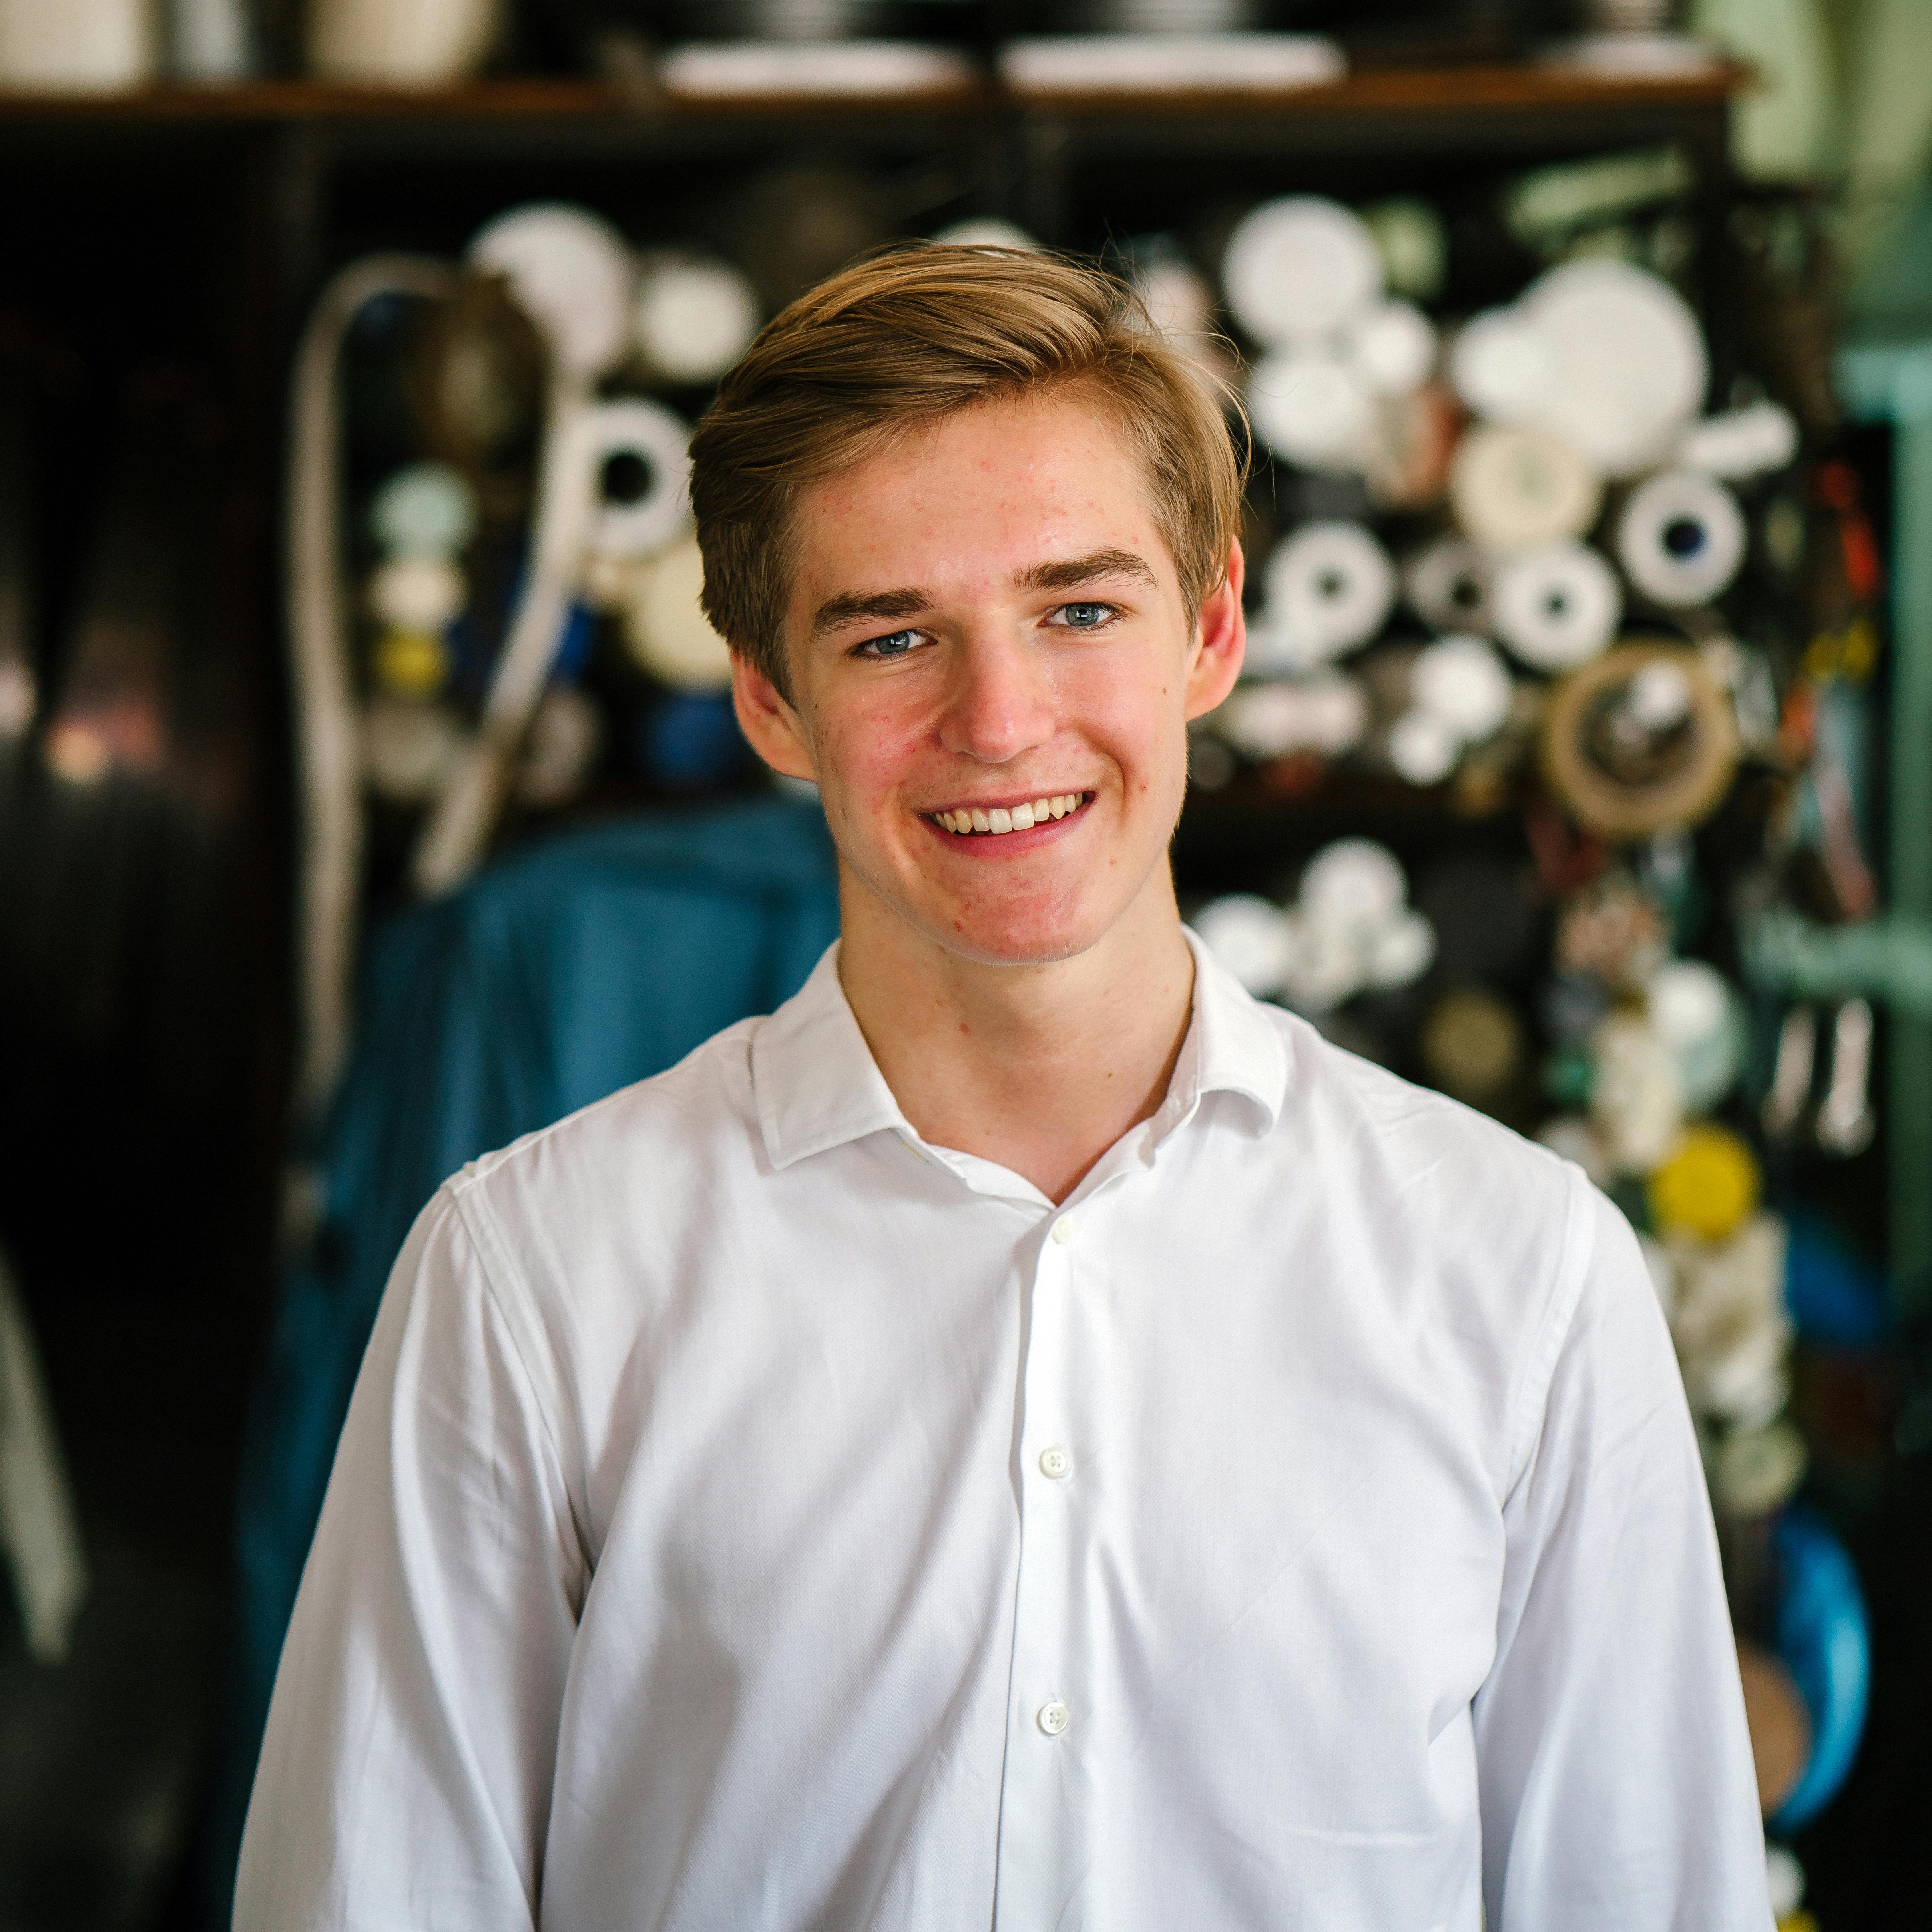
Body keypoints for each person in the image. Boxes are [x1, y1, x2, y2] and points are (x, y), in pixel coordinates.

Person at [237, 246, 1771, 1930]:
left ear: (1213, 630)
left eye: (1080, 610)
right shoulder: (534, 1274)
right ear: (770, 701)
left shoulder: (1520, 1272)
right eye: (893, 638)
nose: (1001, 718)